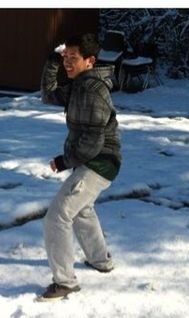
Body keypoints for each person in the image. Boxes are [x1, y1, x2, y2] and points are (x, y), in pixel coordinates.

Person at [38, 33, 121, 301]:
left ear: (90, 60)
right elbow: (48, 94)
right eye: (65, 58)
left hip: (98, 162)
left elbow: (93, 141)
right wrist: (52, 60)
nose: (68, 63)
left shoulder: (93, 90)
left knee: (57, 216)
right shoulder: (78, 85)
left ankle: (65, 282)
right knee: (82, 210)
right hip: (92, 161)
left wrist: (64, 161)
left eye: (74, 58)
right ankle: (101, 261)